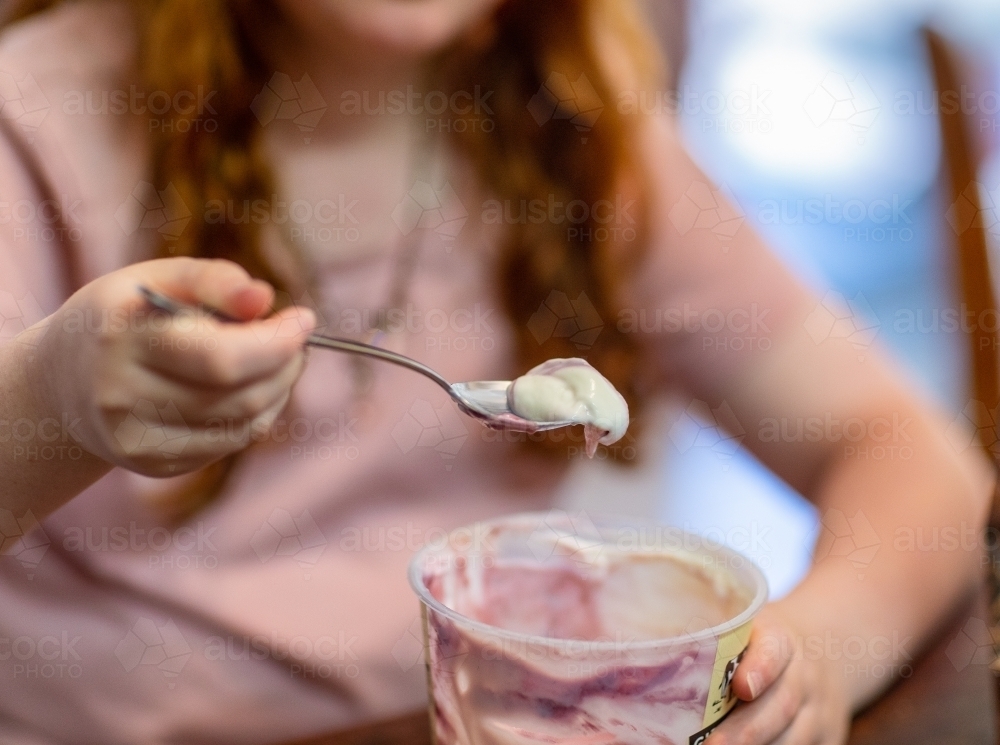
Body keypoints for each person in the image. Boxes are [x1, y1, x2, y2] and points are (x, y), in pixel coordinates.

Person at [0, 0, 991, 743]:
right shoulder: (35, 123)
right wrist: (55, 399)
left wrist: (828, 643)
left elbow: (912, 457)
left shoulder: (581, 140)